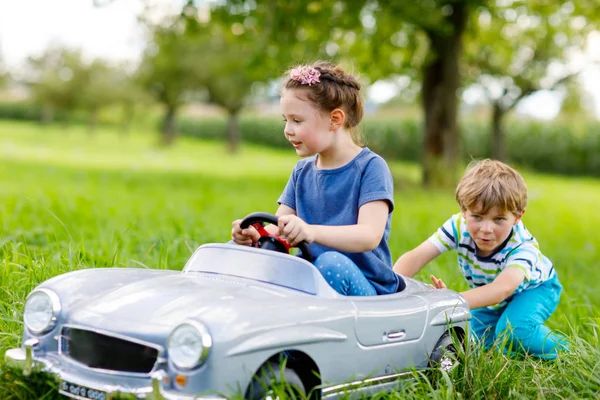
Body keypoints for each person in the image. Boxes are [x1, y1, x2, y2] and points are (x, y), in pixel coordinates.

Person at [231, 61, 402, 296]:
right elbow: (280, 229)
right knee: (236, 252)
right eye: (286, 120)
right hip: (310, 281)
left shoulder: (370, 168)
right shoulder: (302, 172)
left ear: (335, 120)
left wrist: (311, 231)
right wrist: (255, 236)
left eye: (297, 121)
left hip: (366, 288)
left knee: (331, 264)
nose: (288, 130)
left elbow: (369, 236)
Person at [393, 159, 567, 359]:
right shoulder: (459, 226)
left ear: (518, 216)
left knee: (513, 330)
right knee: (471, 339)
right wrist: (388, 286)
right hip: (492, 294)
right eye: (477, 217)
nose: (486, 229)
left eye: (499, 219)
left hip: (535, 289)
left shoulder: (522, 247)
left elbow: (501, 289)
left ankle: (566, 351)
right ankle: (513, 349)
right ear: (464, 211)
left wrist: (451, 301)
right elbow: (417, 256)